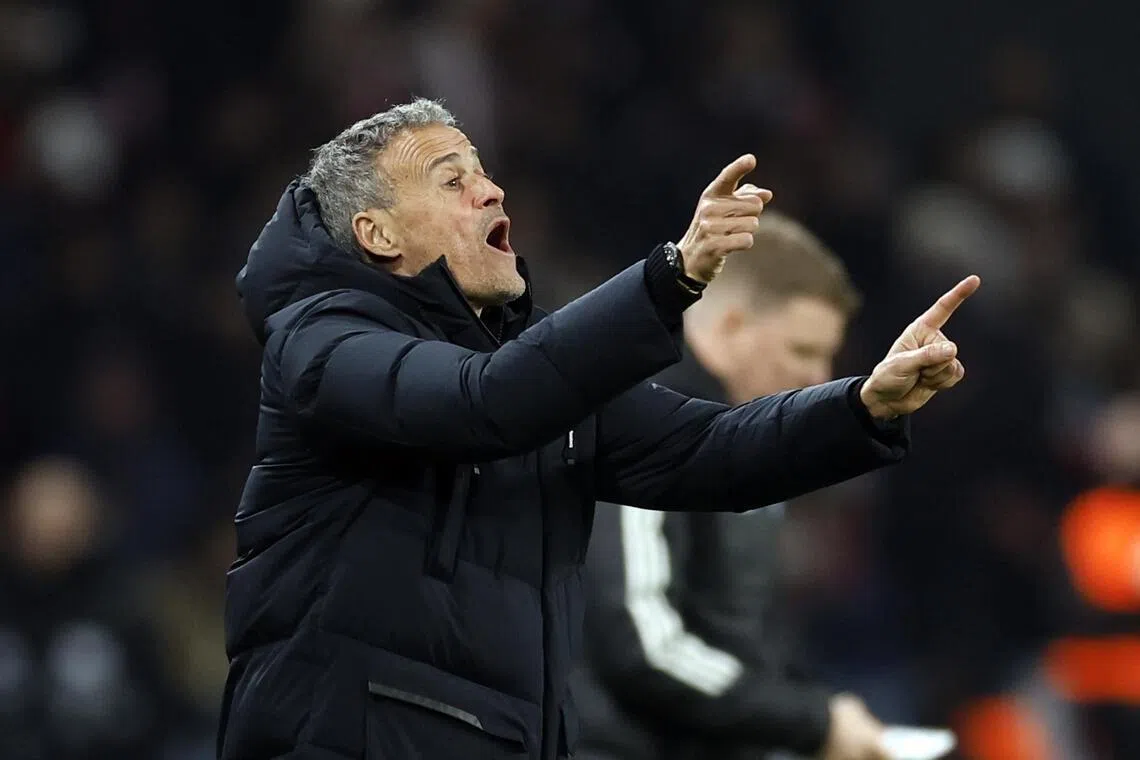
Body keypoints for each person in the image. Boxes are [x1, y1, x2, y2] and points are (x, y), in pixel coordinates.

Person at [219, 98, 978, 760]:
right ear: (378, 235)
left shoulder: (533, 372)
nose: (492, 190)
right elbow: (483, 404)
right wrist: (670, 277)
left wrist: (862, 406)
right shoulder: (321, 341)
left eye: (484, 172)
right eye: (452, 181)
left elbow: (709, 450)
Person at [573, 212, 892, 760]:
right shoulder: (641, 418)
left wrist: (815, 711)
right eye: (802, 351)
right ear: (729, 329)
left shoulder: (746, 442)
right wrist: (812, 722)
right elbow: (642, 645)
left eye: (828, 356)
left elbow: (738, 634)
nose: (820, 378)